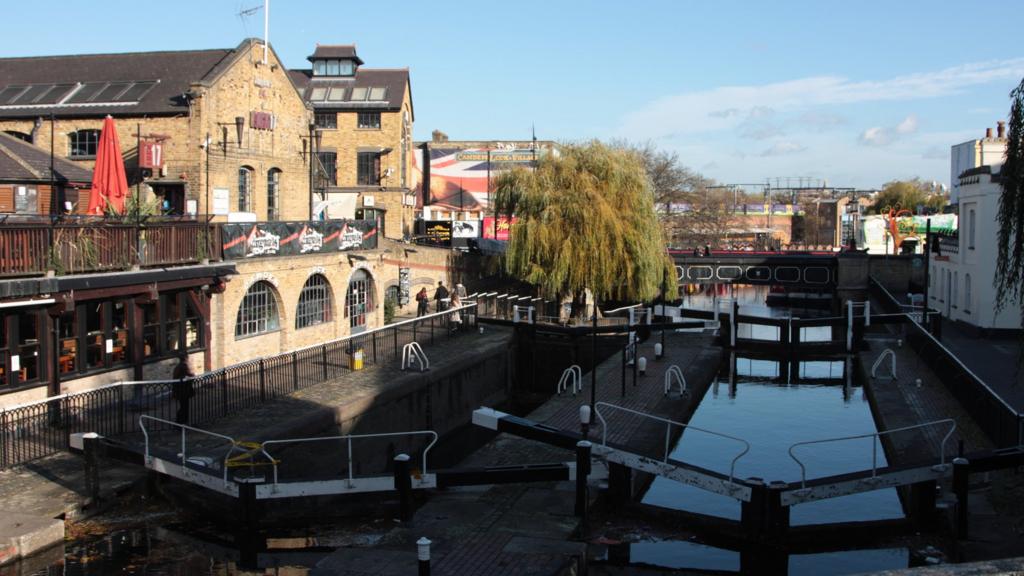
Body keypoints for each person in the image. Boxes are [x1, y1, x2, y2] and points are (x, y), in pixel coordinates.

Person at [172, 352, 195, 425]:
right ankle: (180, 422)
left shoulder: (179, 366)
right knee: (184, 407)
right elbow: (189, 376)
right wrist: (192, 376)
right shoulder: (183, 366)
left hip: (180, 390)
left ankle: (182, 421)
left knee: (183, 406)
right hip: (183, 391)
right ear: (186, 358)